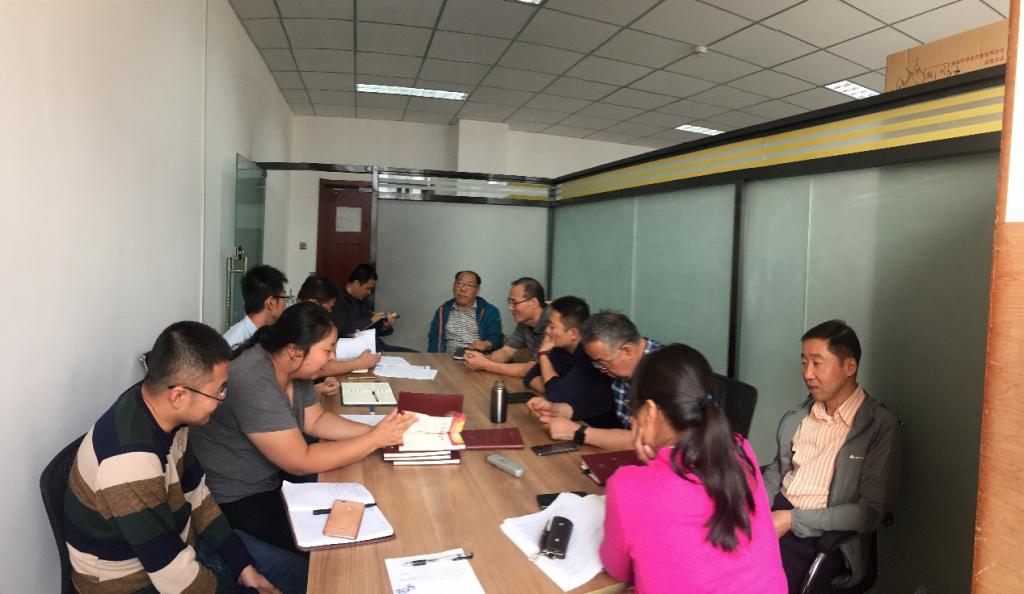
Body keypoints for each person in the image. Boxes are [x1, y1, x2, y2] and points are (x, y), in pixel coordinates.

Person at [62, 321, 281, 593]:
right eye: (218, 391)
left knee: (290, 572)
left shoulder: (166, 414)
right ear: (179, 396)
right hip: (131, 584)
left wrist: (243, 566)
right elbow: (173, 576)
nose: (222, 398)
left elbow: (197, 494)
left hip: (177, 550)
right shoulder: (131, 463)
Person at [190, 303, 417, 558]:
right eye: (327, 350)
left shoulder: (294, 368)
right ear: (294, 351)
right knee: (334, 551)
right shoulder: (254, 379)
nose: (333, 357)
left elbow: (317, 420)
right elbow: (301, 460)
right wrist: (374, 439)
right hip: (238, 496)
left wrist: (376, 433)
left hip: (272, 479)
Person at [600, 344, 787, 594]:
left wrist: (648, 468)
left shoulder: (626, 487)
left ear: (651, 412)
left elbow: (617, 569)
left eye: (634, 407)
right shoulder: (741, 451)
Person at [761, 320, 900, 594]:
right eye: (804, 363)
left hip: (819, 536)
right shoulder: (799, 416)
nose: (807, 374)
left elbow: (868, 513)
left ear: (849, 367)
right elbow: (779, 468)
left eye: (817, 363)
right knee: (709, 557)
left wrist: (792, 519)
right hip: (776, 513)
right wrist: (758, 508)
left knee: (753, 582)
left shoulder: (878, 425)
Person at [536, 311, 662, 450]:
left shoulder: (665, 372)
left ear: (627, 351)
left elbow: (651, 441)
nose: (601, 369)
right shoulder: (615, 364)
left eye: (602, 363)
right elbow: (598, 402)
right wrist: (557, 409)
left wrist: (577, 432)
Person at [524, 296, 618, 429]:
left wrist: (543, 355)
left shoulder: (592, 357)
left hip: (598, 429)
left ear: (573, 333)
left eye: (552, 326)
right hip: (573, 420)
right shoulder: (559, 350)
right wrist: (555, 385)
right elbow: (530, 377)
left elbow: (556, 396)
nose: (547, 331)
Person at [296, 274, 379, 394]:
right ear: (312, 303)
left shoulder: (305, 319)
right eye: (327, 309)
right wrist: (360, 363)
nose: (329, 313)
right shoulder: (300, 325)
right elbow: (321, 368)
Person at [463, 277, 547, 378]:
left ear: (534, 303)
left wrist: (486, 365)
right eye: (509, 302)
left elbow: (533, 369)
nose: (510, 308)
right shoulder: (525, 322)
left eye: (515, 303)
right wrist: (482, 359)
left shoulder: (552, 323)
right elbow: (507, 351)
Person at [427, 270, 503, 353]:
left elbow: (496, 337)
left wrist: (485, 344)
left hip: (477, 358)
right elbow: (434, 339)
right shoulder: (443, 310)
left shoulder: (489, 311)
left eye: (469, 285)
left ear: (477, 291)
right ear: (453, 286)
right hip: (447, 358)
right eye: (459, 284)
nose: (463, 289)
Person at [224, 265, 288, 349]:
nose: (286, 304)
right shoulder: (234, 343)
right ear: (271, 302)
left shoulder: (270, 335)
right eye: (284, 298)